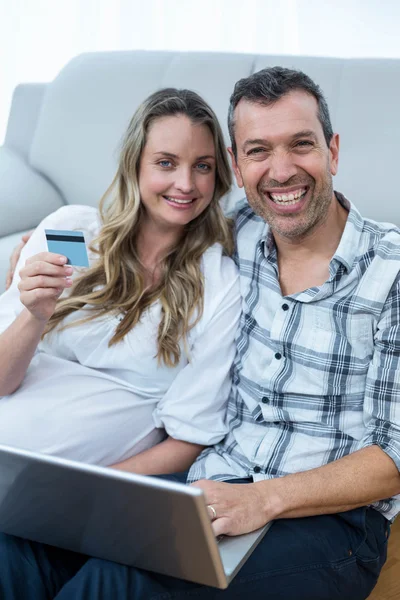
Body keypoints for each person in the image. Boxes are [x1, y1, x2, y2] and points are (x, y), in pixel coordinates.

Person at [1, 66, 400, 600]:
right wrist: (36, 250)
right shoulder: (238, 229)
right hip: (207, 486)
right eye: (258, 151)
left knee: (115, 583)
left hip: (324, 519)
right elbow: (146, 215)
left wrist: (265, 499)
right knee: (18, 553)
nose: (281, 171)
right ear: (239, 166)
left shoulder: (388, 271)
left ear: (332, 150)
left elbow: (395, 458)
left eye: (301, 145)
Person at [0, 87, 241, 473]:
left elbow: (189, 437)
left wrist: (90, 493)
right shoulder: (75, 233)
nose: (186, 184)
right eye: (165, 163)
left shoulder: (216, 281)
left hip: (72, 495)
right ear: (135, 164)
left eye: (203, 166)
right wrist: (34, 316)